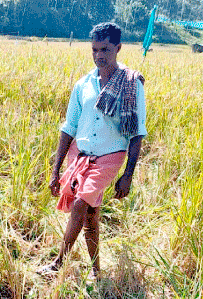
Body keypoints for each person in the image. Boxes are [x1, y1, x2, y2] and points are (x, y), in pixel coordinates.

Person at [38, 22, 146, 280]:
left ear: (118, 48)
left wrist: (127, 175)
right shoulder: (83, 84)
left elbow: (137, 132)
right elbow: (68, 128)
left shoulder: (132, 84)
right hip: (80, 155)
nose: (99, 55)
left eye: (105, 49)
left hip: (110, 157)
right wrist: (55, 171)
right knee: (90, 214)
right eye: (95, 49)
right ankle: (97, 271)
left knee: (80, 203)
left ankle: (58, 262)